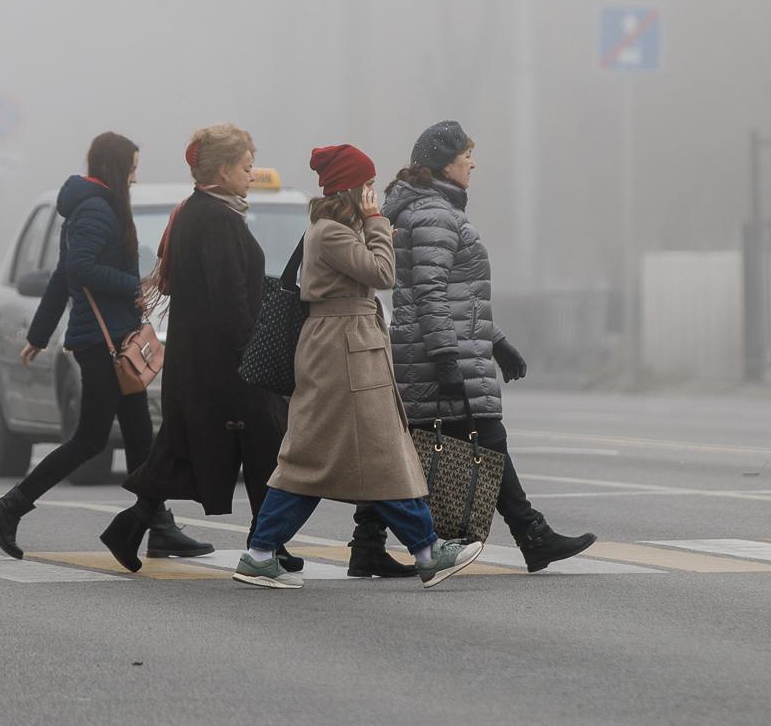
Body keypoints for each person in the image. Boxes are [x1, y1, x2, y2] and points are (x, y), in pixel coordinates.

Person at [234, 145, 484, 590]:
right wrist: (376, 223)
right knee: (371, 453)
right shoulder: (332, 232)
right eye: (367, 185)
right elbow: (383, 272)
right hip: (342, 351)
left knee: (319, 458)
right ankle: (426, 551)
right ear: (351, 189)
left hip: (348, 347)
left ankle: (261, 552)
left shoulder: (332, 228)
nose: (373, 192)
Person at [0, 133, 212, 561]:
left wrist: (38, 336)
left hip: (107, 340)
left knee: (141, 437)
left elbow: (60, 276)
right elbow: (81, 269)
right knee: (90, 439)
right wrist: (135, 285)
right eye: (133, 168)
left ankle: (158, 527)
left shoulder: (91, 208)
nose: (136, 178)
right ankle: (9, 507)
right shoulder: (98, 211)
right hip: (105, 344)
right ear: (116, 169)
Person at [381, 120, 596, 573]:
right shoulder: (435, 214)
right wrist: (445, 355)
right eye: (467, 156)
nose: (474, 163)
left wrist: (496, 342)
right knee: (486, 439)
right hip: (439, 351)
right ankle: (532, 535)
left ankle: (366, 544)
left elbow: (460, 296)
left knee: (408, 447)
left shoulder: (432, 209)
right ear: (444, 163)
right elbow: (431, 291)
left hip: (448, 344)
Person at [99, 124, 289, 573]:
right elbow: (228, 297)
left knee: (183, 450)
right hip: (223, 364)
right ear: (222, 171)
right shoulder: (215, 219)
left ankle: (134, 528)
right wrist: (253, 353)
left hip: (202, 361)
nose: (251, 174)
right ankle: (266, 545)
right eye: (245, 167)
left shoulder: (199, 211)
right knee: (265, 446)